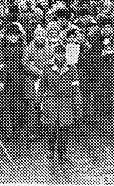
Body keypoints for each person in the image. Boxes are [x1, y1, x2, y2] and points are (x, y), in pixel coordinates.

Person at [37, 43, 80, 171]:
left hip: (66, 102)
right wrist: (38, 101)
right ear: (54, 54)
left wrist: (77, 105)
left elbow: (75, 89)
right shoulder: (47, 67)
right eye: (57, 53)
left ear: (65, 54)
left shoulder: (72, 69)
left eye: (62, 54)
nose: (60, 56)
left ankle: (62, 152)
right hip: (51, 102)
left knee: (64, 128)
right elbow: (42, 87)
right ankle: (50, 149)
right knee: (51, 128)